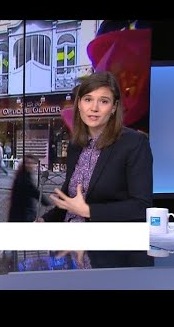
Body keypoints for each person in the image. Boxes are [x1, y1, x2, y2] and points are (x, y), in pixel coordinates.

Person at [38, 71, 154, 268]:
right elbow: (72, 200)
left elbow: (141, 206)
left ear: (114, 107)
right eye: (88, 99)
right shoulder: (76, 145)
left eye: (103, 101)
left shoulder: (134, 143)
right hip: (68, 253)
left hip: (109, 258)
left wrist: (90, 211)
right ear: (79, 105)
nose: (94, 108)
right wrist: (44, 220)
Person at [8, 155, 50, 222]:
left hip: (21, 211)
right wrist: (46, 202)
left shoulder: (24, 174)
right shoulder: (23, 177)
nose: (30, 165)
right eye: (28, 163)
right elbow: (33, 191)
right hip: (22, 213)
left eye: (32, 163)